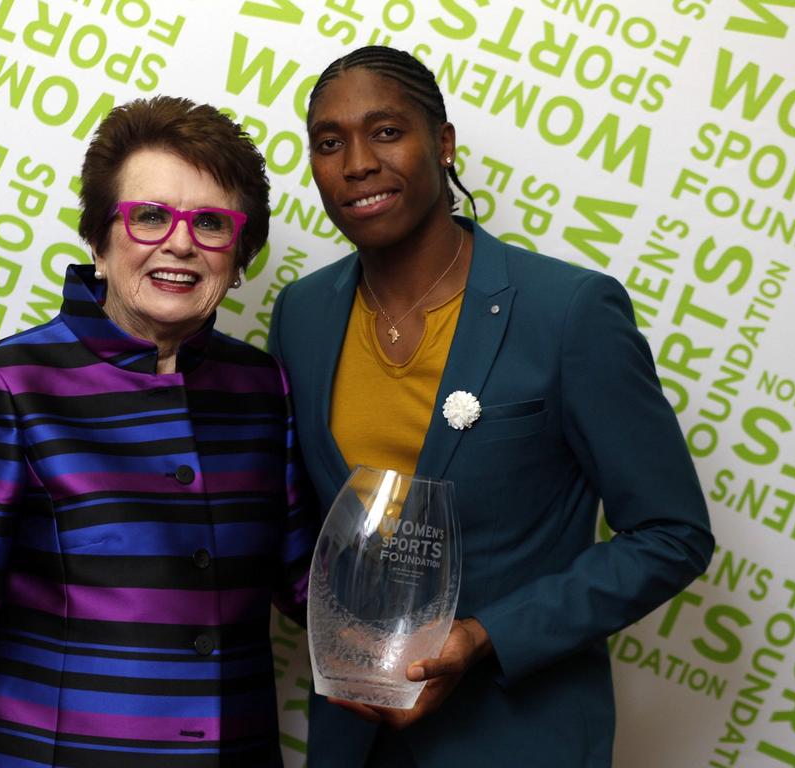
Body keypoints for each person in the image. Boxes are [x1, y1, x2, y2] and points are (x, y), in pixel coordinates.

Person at [269, 46, 714, 767]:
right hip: (351, 737)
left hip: (516, 736)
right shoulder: (303, 314)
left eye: (386, 131)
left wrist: (483, 636)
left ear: (443, 145)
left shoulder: (569, 312)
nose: (355, 163)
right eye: (329, 142)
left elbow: (671, 534)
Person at [0, 96, 314, 768]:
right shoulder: (2, 386)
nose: (179, 242)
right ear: (99, 238)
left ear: (240, 256)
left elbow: (305, 585)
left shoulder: (262, 386)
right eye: (149, 216)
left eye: (210, 222)